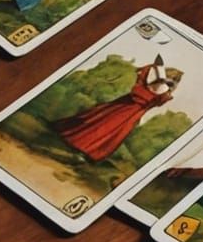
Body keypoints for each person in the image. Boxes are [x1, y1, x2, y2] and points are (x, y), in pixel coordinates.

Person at [51, 55, 181, 162]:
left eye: (173, 79)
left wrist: (161, 85)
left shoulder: (163, 94)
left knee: (108, 130)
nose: (170, 80)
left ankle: (84, 152)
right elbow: (143, 78)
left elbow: (143, 97)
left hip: (131, 113)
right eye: (170, 77)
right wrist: (155, 72)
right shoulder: (150, 82)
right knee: (96, 119)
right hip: (122, 105)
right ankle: (72, 136)